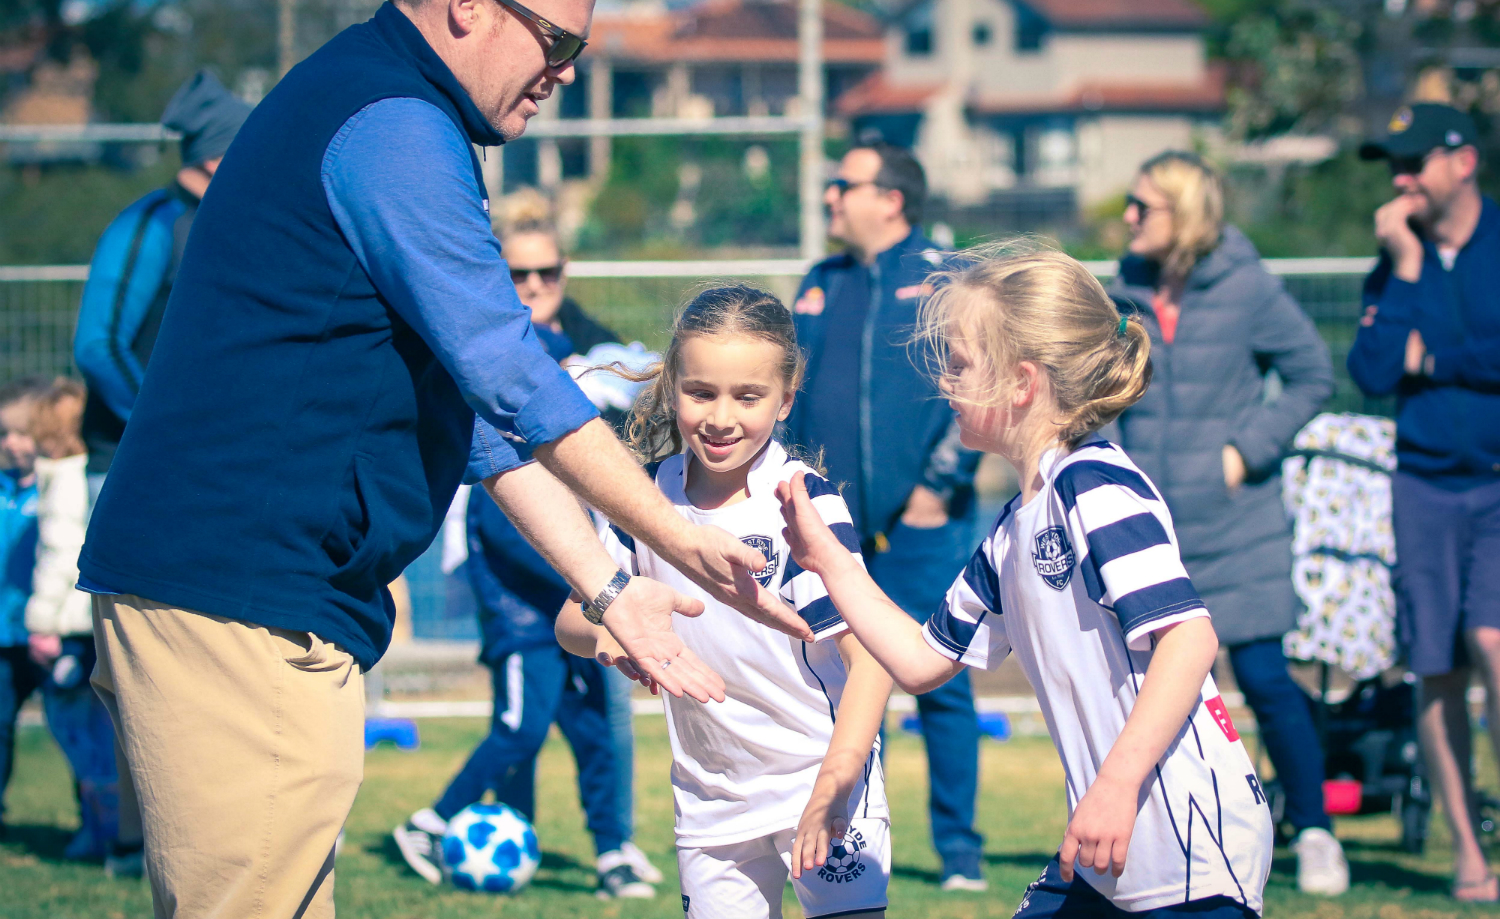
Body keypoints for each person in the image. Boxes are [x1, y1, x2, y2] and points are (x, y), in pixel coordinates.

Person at [76, 0, 808, 914]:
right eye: (560, 40)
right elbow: (506, 369)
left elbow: (480, 418)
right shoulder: (392, 120)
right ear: (469, 6)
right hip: (241, 598)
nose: (569, 70)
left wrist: (610, 587)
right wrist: (674, 529)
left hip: (241, 594)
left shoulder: (381, 108)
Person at [776, 244, 1275, 918]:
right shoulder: (1014, 528)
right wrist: (832, 561)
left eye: (959, 364)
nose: (944, 384)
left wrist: (1116, 784)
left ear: (1021, 382)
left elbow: (1189, 638)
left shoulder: (1094, 483)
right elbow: (922, 662)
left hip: (1188, 853)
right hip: (1109, 851)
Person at [556, 285, 894, 919]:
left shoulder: (803, 505)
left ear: (786, 398)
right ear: (672, 386)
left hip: (818, 779)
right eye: (701, 392)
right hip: (710, 796)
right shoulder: (645, 501)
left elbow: (870, 660)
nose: (720, 418)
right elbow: (572, 620)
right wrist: (613, 630)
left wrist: (834, 783)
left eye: (748, 397)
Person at [395, 222, 660, 898]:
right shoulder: (483, 355)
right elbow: (499, 505)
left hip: (580, 583)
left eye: (548, 272)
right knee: (522, 722)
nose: (535, 285)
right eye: (518, 274)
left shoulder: (584, 354)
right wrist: (594, 580)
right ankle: (432, 822)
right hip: (523, 582)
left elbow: (647, 375)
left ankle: (613, 850)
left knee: (600, 722)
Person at [1107, 151, 1346, 895]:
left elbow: (1312, 371)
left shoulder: (1248, 287)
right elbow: (1106, 391)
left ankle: (1314, 831)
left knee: (1269, 680)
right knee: (1171, 692)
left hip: (1240, 524)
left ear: (1185, 213)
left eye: (1144, 206)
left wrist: (1247, 449)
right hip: (1156, 533)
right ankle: (1190, 837)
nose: (1129, 218)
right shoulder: (1125, 290)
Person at [785, 140, 986, 890]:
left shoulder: (946, 278)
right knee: (846, 685)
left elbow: (978, 381)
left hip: (921, 527)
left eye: (844, 184)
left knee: (942, 683)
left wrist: (938, 486)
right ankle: (860, 841)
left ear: (891, 198)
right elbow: (792, 392)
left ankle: (960, 851)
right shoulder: (820, 281)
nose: (831, 196)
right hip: (832, 537)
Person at [1348, 102, 1500, 902]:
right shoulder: (1393, 258)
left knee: (1495, 644)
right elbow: (1373, 370)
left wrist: (1434, 357)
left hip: (1498, 484)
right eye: (1393, 165)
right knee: (1436, 669)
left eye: (1414, 162)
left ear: (1463, 161)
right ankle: (1469, 855)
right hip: (1423, 486)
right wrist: (1404, 267)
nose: (1400, 179)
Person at [72, 70, 251, 506]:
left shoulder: (229, 225)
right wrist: (167, 429)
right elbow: (98, 346)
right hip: (133, 465)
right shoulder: (151, 222)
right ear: (215, 158)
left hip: (208, 464)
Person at [23, 380, 126, 862]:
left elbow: (60, 551)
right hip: (101, 619)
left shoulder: (62, 476)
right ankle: (114, 832)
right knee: (110, 726)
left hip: (68, 625)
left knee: (73, 724)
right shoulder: (104, 471)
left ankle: (100, 831)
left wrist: (41, 619)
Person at [0, 379, 42, 839]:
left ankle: (95, 817)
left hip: (49, 632)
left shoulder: (60, 489)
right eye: (3, 434)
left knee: (75, 727)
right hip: (3, 633)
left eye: (21, 432)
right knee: (0, 727)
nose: (12, 444)